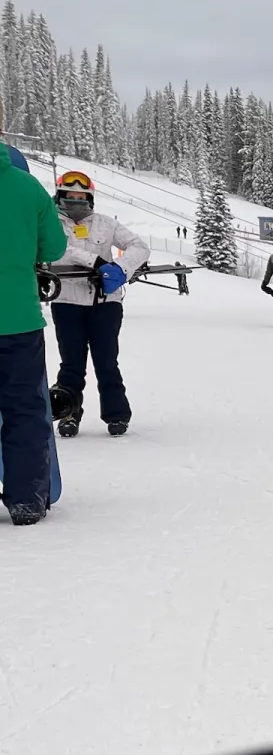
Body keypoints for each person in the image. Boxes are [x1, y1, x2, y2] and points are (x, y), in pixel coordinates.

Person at [48, 170, 150, 439]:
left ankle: (117, 415)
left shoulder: (106, 224)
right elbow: (55, 250)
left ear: (90, 199)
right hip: (67, 301)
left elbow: (139, 247)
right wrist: (94, 262)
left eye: (81, 197)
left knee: (107, 361)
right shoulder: (50, 224)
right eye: (69, 197)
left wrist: (119, 269)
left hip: (104, 303)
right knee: (72, 363)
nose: (75, 202)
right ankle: (69, 413)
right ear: (60, 197)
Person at [0, 133, 68, 524]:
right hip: (18, 321)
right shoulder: (26, 186)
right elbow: (54, 249)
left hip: (19, 320)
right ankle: (25, 498)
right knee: (25, 409)